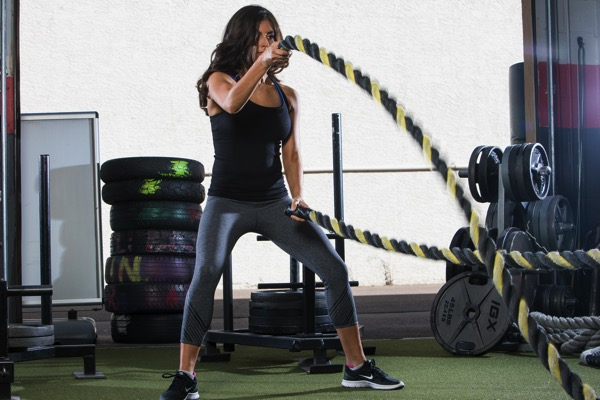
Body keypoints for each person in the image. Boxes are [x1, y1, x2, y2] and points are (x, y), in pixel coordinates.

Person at [160, 5, 404, 399]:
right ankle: (185, 377)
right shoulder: (217, 81)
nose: (273, 41)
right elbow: (235, 102)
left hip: (275, 201)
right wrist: (261, 63)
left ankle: (356, 367)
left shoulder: (287, 95)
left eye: (275, 35)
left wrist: (299, 196)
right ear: (245, 38)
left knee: (335, 268)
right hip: (227, 201)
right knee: (206, 272)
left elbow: (290, 153)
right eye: (265, 35)